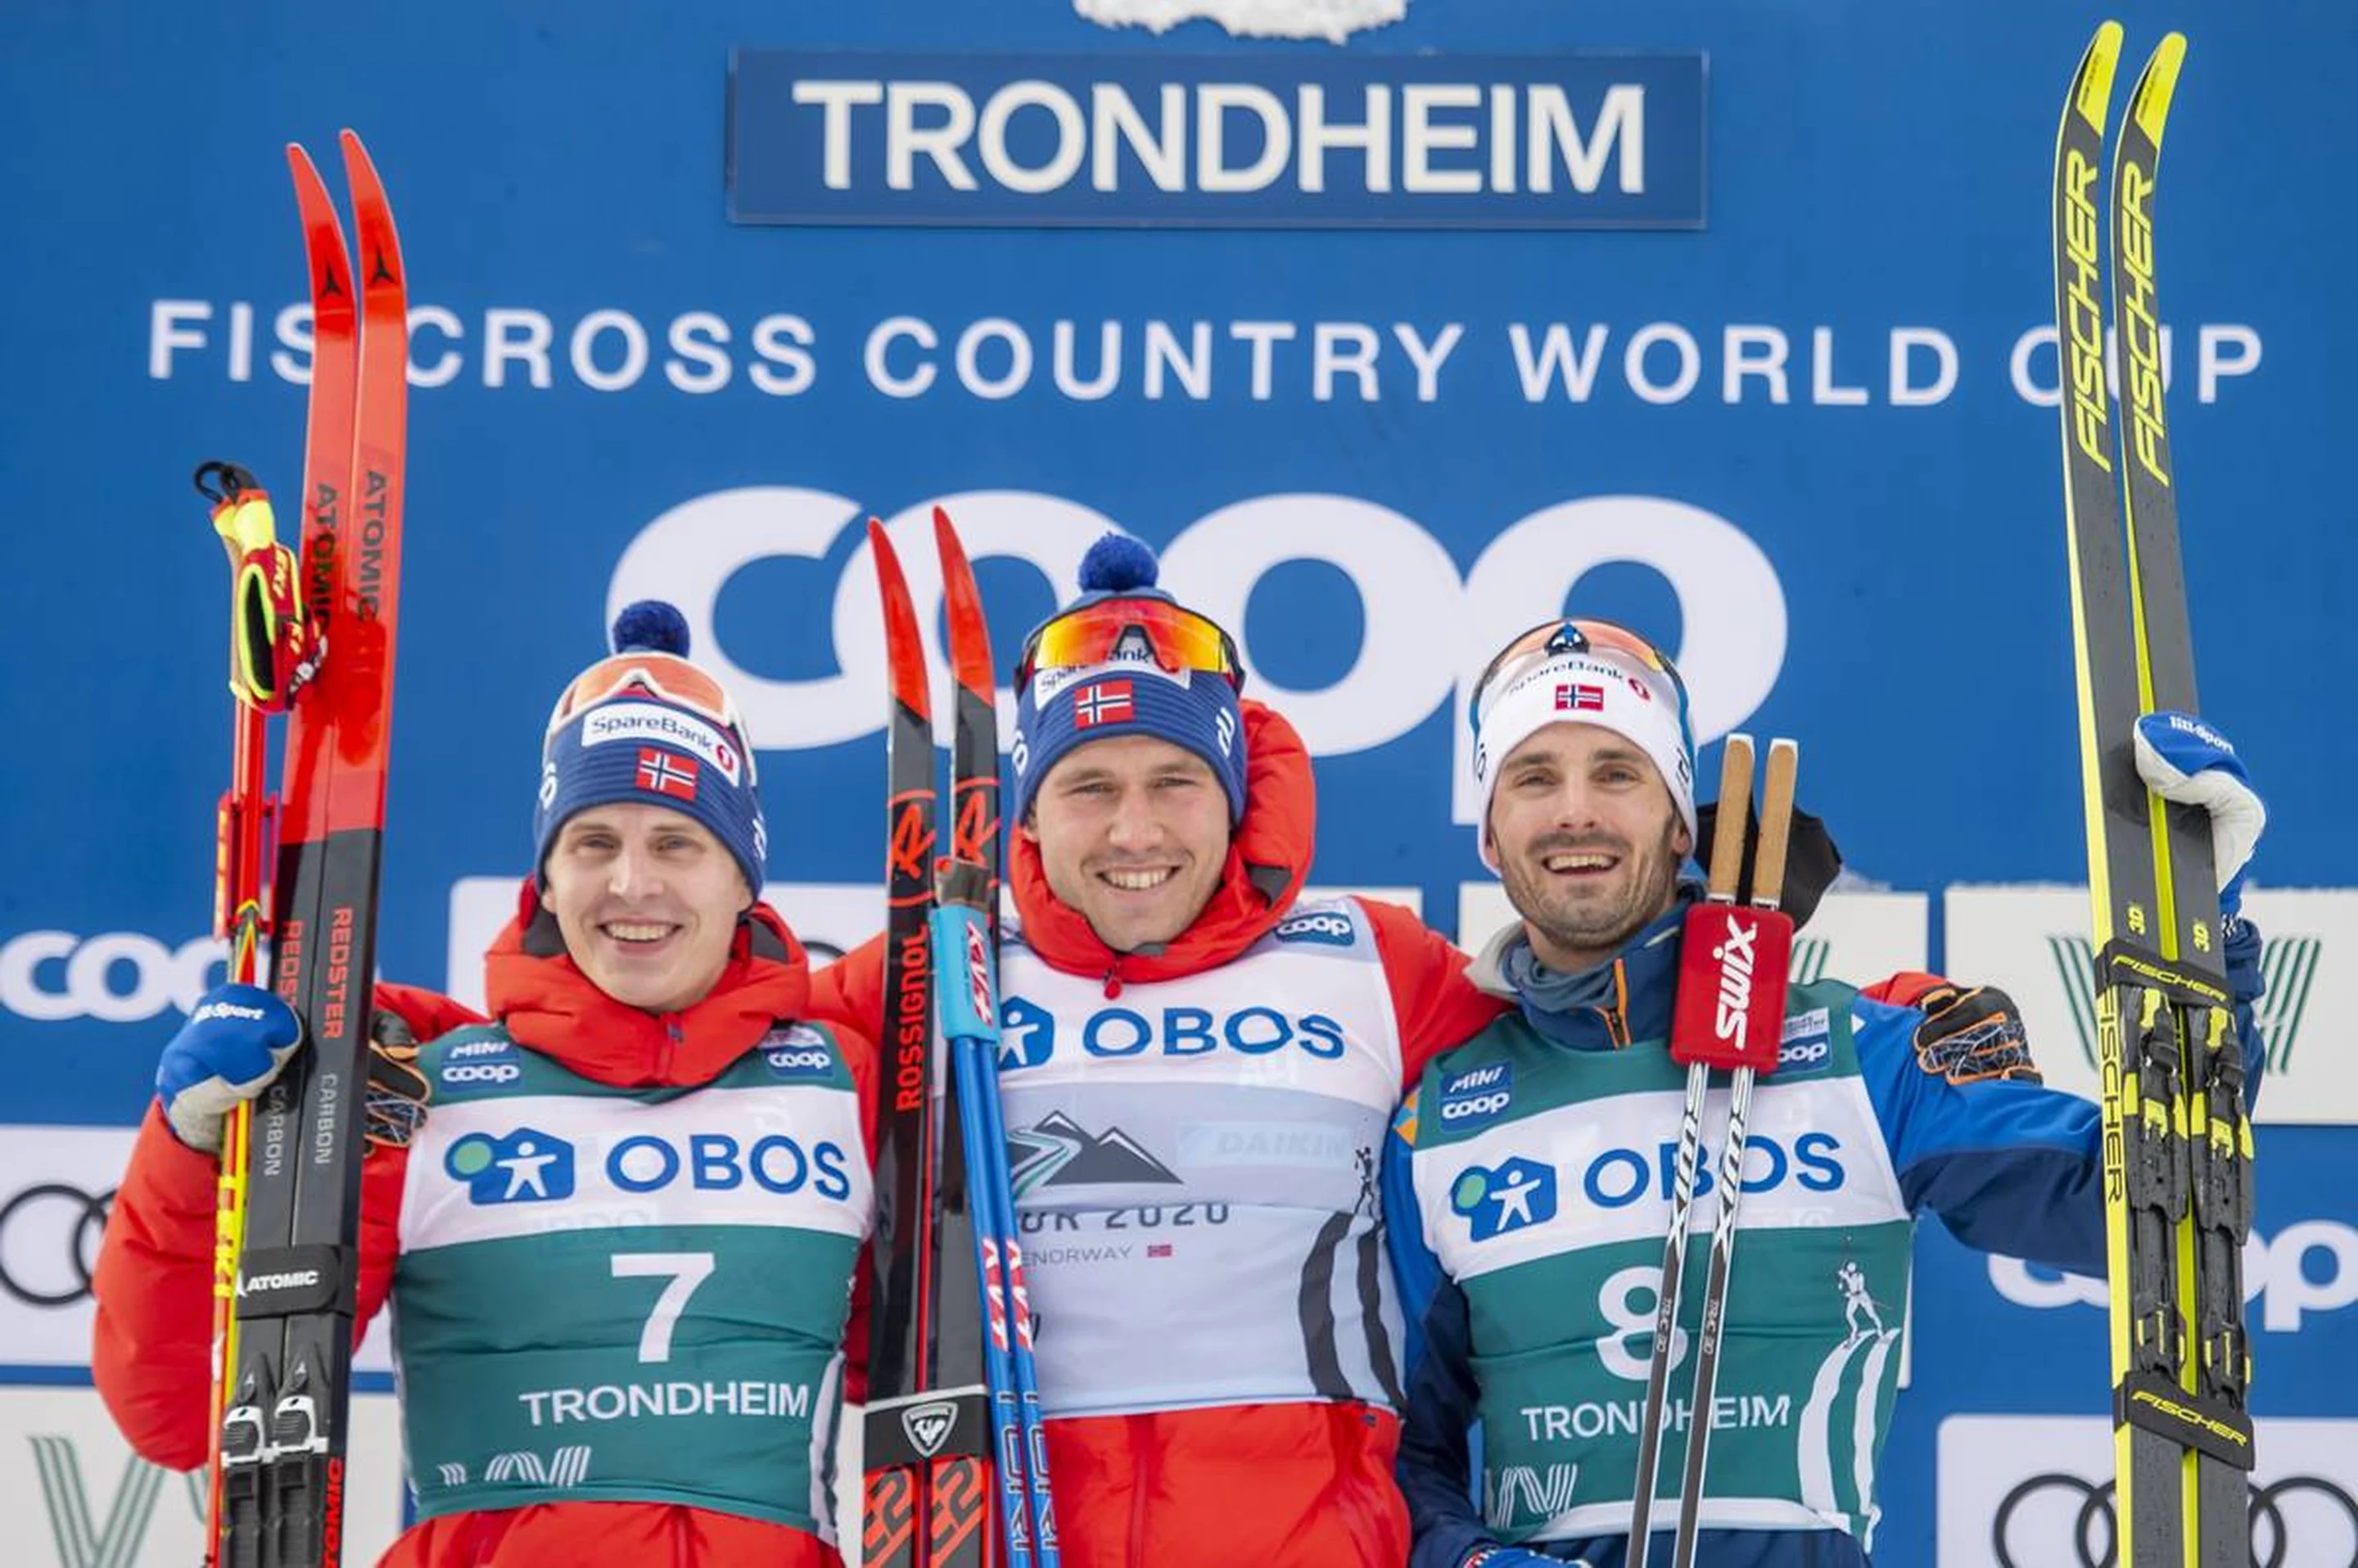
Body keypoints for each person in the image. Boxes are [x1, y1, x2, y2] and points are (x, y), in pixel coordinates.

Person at [1385, 618, 2269, 1568]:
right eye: (1533, 777)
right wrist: (1474, 1563)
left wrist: (2199, 940)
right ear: (1488, 832)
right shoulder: (1438, 1126)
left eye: (1616, 772)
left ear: (1680, 820)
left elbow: (2137, 1214)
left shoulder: (1858, 1054)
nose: (1575, 813)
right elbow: (1396, 1454)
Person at [93, 603, 880, 1567]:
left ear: (744, 877)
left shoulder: (842, 1083)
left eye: (678, 843)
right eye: (593, 843)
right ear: (546, 878)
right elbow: (182, 1412)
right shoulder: (417, 1098)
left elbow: (937, 1369)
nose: (633, 884)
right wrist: (188, 1146)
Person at [815, 535, 1507, 1567]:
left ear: (1234, 790)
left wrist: (1719, 964)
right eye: (1089, 786)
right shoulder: (928, 975)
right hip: (1009, 1538)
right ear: (1029, 813)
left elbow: (1584, 1046)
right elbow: (720, 1055)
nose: (1134, 832)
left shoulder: (1375, 964)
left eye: (1176, 780)